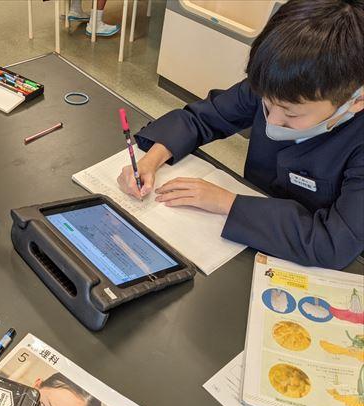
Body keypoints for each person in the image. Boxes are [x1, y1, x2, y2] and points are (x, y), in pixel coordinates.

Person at [117, 0, 364, 270]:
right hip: (246, 242)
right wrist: (151, 160)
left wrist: (226, 202)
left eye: (291, 114)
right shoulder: (277, 87)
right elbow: (202, 118)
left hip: (306, 261)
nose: (272, 120)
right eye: (267, 103)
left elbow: (334, 243)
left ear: (356, 100)